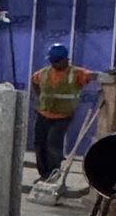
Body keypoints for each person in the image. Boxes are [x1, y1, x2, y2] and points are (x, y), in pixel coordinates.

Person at [28, 40, 97, 180]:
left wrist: (109, 76)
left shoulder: (75, 73)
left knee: (53, 144)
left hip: (62, 116)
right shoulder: (44, 73)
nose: (55, 64)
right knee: (39, 144)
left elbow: (92, 76)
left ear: (66, 59)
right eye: (53, 61)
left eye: (58, 61)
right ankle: (44, 174)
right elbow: (34, 81)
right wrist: (40, 96)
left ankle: (53, 174)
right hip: (43, 114)